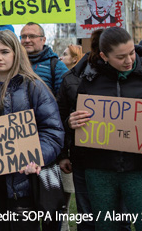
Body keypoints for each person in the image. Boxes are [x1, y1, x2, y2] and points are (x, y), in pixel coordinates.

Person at [59, 27, 142, 231]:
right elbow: (73, 117)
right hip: (99, 169)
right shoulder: (88, 80)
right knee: (107, 226)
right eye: (121, 57)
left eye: (132, 53)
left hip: (140, 166)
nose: (129, 60)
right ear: (104, 56)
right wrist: (71, 122)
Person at [0, 30, 64, 231]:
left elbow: (53, 132)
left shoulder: (35, 87)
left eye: (4, 52)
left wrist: (35, 157)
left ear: (16, 54)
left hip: (24, 186)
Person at [57, 44, 82, 231]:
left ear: (75, 59)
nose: (61, 57)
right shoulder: (67, 80)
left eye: (64, 55)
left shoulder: (76, 79)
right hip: (70, 146)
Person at [20, 22, 68, 95]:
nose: (27, 40)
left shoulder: (57, 66)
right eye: (23, 36)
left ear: (43, 40)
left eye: (32, 36)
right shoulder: (13, 63)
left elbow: (64, 98)